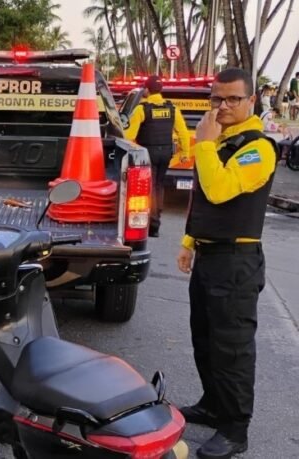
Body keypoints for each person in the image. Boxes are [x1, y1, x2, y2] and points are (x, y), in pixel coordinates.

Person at [177, 68, 278, 459]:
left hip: (236, 261)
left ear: (251, 101)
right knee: (204, 339)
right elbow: (202, 197)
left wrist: (203, 144)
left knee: (232, 349)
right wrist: (189, 242)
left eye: (233, 98)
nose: (223, 106)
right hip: (209, 255)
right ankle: (213, 405)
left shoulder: (258, 148)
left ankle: (235, 430)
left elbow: (220, 191)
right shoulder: (220, 142)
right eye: (216, 98)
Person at [125, 75, 190, 238]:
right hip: (166, 153)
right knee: (159, 185)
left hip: (148, 153)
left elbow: (129, 135)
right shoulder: (172, 109)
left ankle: (153, 223)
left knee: (150, 187)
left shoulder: (142, 109)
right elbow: (183, 132)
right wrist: (185, 153)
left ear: (147, 90)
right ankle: (156, 220)